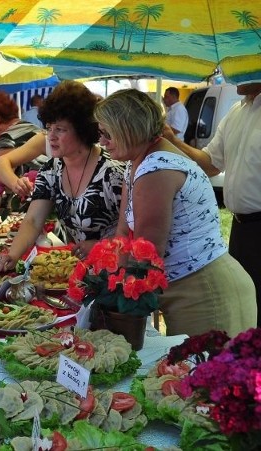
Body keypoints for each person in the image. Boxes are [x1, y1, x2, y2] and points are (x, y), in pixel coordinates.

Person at [95, 88, 256, 337]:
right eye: (100, 133)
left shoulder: (156, 167)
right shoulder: (136, 162)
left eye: (107, 133)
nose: (102, 141)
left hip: (203, 291)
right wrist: (110, 274)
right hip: (184, 288)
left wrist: (111, 292)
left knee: (201, 373)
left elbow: (147, 250)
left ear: (130, 128)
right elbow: (123, 232)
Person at [0, 80, 124, 275]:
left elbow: (137, 233)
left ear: (82, 130)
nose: (51, 136)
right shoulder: (51, 170)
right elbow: (33, 221)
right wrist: (12, 256)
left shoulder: (113, 173)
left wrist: (99, 245)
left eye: (60, 129)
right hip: (83, 274)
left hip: (119, 274)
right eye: (49, 127)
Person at [162, 81, 261, 327]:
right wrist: (170, 139)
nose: (232, 78)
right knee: (249, 311)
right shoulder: (237, 112)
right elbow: (210, 162)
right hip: (241, 227)